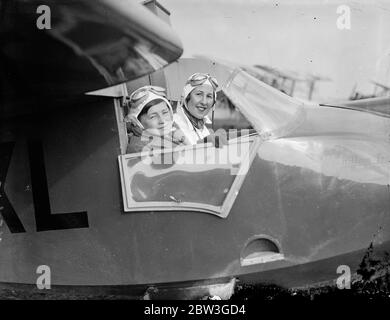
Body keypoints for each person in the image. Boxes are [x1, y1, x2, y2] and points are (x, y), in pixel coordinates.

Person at [125, 86, 188, 153]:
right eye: (153, 117)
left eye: (165, 112)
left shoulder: (173, 132)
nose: (162, 121)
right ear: (138, 122)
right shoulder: (140, 148)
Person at [174, 73, 225, 145]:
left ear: (213, 103)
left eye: (209, 96)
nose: (204, 102)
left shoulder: (203, 128)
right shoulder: (173, 125)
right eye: (198, 94)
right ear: (186, 97)